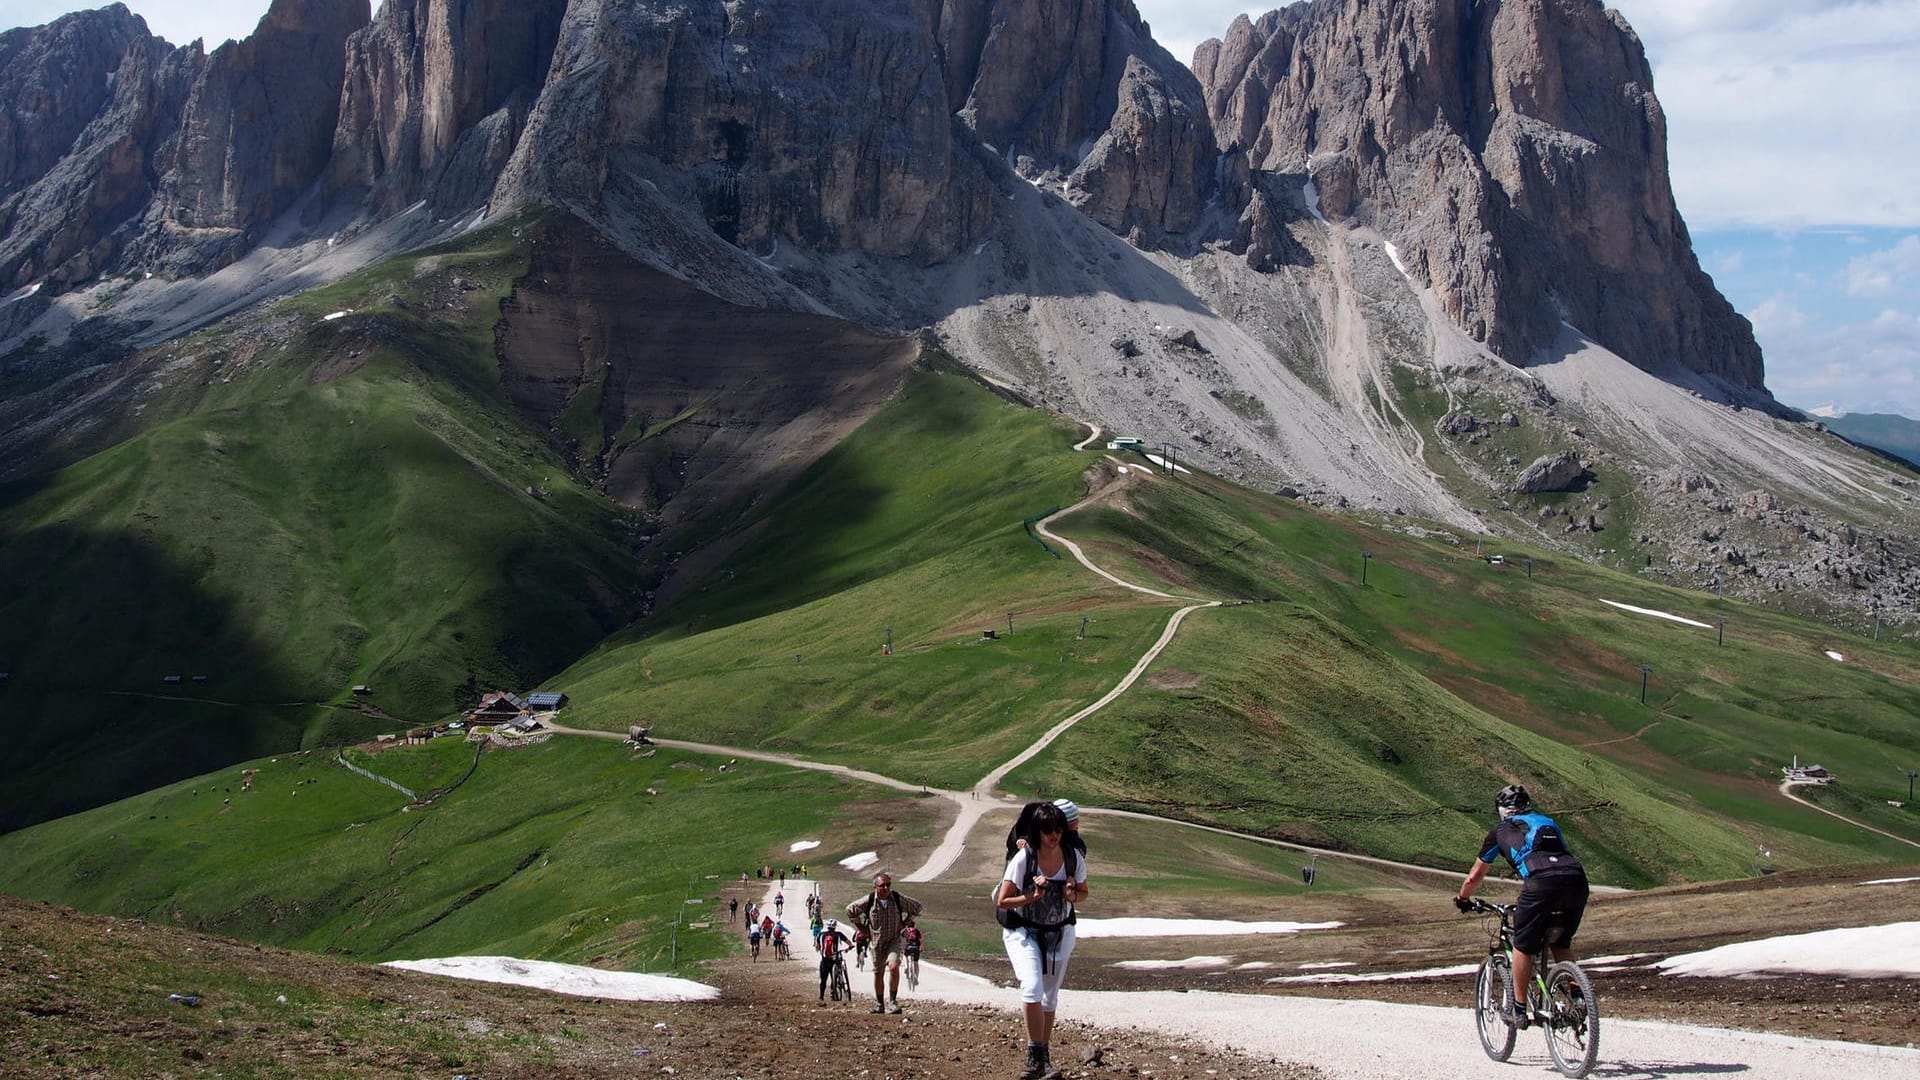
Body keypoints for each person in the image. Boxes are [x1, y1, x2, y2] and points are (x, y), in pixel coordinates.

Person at [1455, 783, 1590, 1025]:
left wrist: (1462, 899)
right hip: (1576, 880)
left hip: (1540, 884)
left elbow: (1474, 877)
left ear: (1502, 810)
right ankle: (1579, 997)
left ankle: (1518, 1009)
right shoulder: (1547, 822)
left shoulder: (1499, 832)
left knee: (1523, 945)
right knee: (1560, 941)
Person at [996, 800, 1087, 1079]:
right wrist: (1031, 897)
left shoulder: (1073, 858)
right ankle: (1035, 1055)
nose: (1054, 835)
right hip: (1024, 931)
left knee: (1050, 996)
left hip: (1059, 932)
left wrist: (1072, 894)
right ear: (1038, 832)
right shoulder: (1024, 859)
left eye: (1058, 829)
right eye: (1048, 830)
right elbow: (1003, 900)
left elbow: (1083, 892)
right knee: (1033, 987)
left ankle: (1042, 1058)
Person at [846, 872, 923, 1014]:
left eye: (888, 885)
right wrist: (861, 928)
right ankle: (880, 1004)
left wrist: (905, 923)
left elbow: (917, 906)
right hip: (876, 942)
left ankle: (893, 1002)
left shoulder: (897, 898)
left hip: (894, 940)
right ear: (875, 887)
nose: (886, 888)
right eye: (882, 886)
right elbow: (850, 910)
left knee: (894, 966)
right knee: (878, 973)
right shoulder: (868, 900)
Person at [1008, 798, 1088, 860]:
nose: (1078, 823)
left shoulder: (1073, 840)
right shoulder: (1037, 828)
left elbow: (1079, 853)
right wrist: (1023, 839)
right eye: (1074, 822)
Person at [817, 918, 853, 1000]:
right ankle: (833, 994)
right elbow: (849, 942)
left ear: (827, 927)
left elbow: (817, 946)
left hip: (825, 960)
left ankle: (821, 996)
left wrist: (820, 949)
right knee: (835, 977)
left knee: (823, 979)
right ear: (835, 927)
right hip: (834, 959)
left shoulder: (821, 934)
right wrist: (850, 947)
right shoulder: (838, 934)